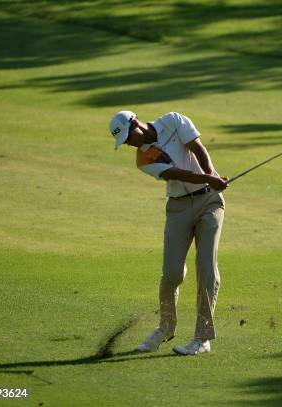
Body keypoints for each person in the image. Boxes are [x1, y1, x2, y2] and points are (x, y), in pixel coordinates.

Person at [109, 110, 228, 356]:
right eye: (125, 143)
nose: (130, 144)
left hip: (209, 202)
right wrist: (207, 178)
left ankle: (202, 338)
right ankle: (165, 328)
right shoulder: (143, 159)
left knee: (206, 268)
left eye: (129, 138)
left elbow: (197, 147)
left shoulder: (173, 121)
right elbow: (173, 173)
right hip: (178, 208)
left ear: (135, 124)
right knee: (171, 273)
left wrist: (212, 177)